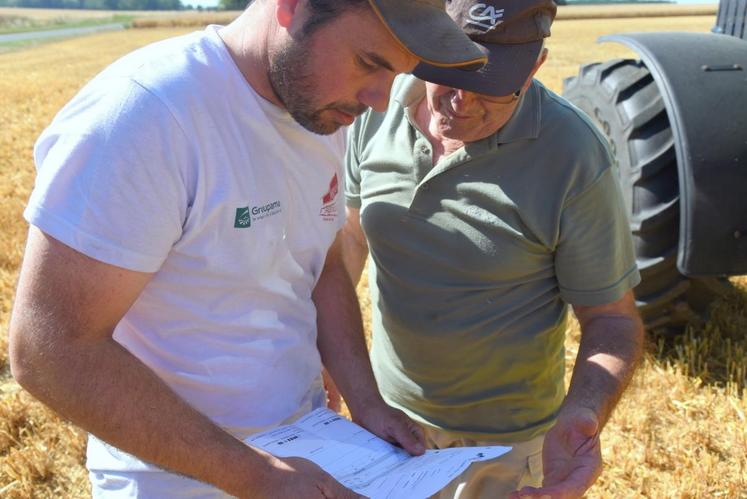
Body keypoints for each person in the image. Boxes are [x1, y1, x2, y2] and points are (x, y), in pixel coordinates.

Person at [8, 1, 488, 497]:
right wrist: (255, 475)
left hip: (309, 450)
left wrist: (365, 400)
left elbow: (320, 265)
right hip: (175, 478)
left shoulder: (323, 111)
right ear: (292, 7)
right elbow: (51, 348)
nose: (380, 100)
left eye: (398, 73)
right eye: (369, 62)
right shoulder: (147, 116)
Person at [341, 1, 645, 497]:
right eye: (448, 72)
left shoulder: (572, 154)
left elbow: (612, 318)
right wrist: (343, 371)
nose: (460, 101)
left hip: (505, 450)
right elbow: (348, 242)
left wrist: (583, 410)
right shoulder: (378, 108)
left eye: (490, 85)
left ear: (535, 67)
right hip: (387, 423)